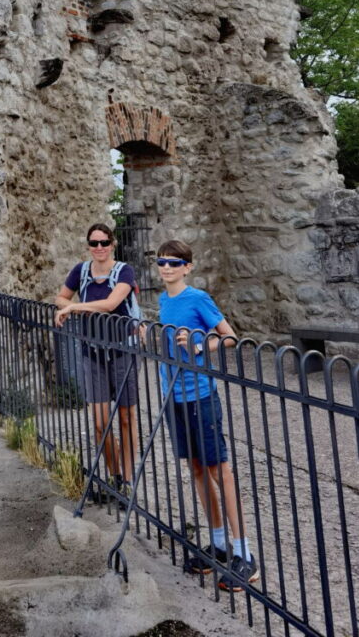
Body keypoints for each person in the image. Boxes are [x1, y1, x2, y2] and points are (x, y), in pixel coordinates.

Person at [155, 239, 259, 592]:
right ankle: (217, 546)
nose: (166, 268)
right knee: (196, 469)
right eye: (161, 262)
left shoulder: (197, 298)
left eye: (173, 263)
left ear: (187, 267)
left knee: (219, 470)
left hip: (200, 395)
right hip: (175, 398)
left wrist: (200, 344)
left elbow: (230, 338)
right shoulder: (162, 301)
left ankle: (245, 554)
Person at [54, 223, 139, 491]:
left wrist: (77, 307)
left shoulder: (124, 271)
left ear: (113, 244)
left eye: (104, 243)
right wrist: (75, 307)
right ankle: (115, 476)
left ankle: (128, 478)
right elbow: (60, 298)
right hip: (93, 352)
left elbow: (112, 304)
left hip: (122, 349)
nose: (99, 248)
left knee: (126, 418)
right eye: (94, 243)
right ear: (88, 246)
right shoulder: (80, 271)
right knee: (101, 424)